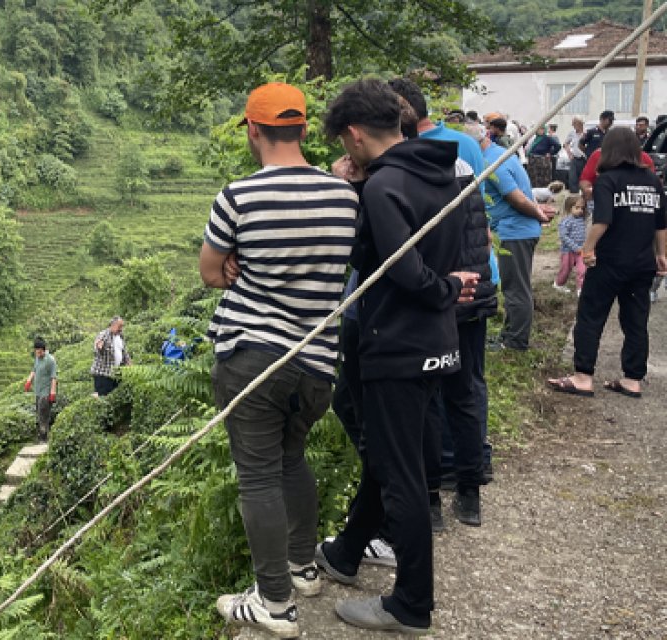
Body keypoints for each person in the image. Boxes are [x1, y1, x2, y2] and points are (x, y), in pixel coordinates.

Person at [313, 79, 479, 636]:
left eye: (344, 141)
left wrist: (440, 285)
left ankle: (410, 603)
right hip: (435, 342)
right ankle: (345, 553)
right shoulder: (441, 171)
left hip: (396, 345)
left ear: (356, 135)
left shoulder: (386, 187)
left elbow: (401, 271)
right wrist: (448, 286)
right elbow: (406, 252)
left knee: (400, 476)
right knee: (392, 458)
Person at [203, 82, 358, 640]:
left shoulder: (238, 196)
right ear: (301, 129)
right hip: (317, 363)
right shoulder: (344, 197)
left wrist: (241, 266)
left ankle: (274, 602)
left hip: (254, 361)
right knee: (293, 460)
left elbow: (210, 270)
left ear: (253, 130)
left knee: (259, 477)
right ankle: (302, 568)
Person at [386, 80, 496, 523]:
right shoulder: (459, 160)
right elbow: (477, 230)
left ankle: (430, 497)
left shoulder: (405, 175)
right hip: (471, 290)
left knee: (428, 400)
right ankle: (469, 493)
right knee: (463, 394)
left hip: (437, 297)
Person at [548, 128, 667, 398]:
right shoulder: (652, 180)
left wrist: (587, 249)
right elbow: (661, 225)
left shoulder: (607, 180)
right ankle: (632, 379)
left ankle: (582, 377)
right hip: (642, 263)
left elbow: (602, 220)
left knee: (591, 316)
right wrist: (662, 254)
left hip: (609, 262)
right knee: (636, 321)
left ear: (608, 150)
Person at [480, 121, 554, 351]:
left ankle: (515, 342)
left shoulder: (494, 162)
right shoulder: (499, 154)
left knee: (516, 288)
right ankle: (508, 335)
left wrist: (539, 214)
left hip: (515, 232)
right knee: (515, 285)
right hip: (516, 230)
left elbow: (517, 198)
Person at [554, 193, 588, 296]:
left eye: (582, 208)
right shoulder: (565, 221)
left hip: (581, 251)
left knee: (583, 270)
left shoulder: (583, 219)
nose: (580, 210)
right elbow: (564, 237)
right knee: (565, 270)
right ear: (569, 207)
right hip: (568, 251)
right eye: (577, 208)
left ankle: (581, 289)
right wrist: (575, 247)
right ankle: (559, 284)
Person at [24, 337, 57, 441]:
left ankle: (43, 437)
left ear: (43, 350)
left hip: (46, 392)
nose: (37, 354)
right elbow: (34, 370)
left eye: (39, 352)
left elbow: (53, 377)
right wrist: (29, 381)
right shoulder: (37, 358)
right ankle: (42, 435)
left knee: (43, 414)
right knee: (39, 413)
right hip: (38, 391)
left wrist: (52, 392)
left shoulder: (50, 360)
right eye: (36, 351)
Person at [90, 316, 131, 396]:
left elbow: (124, 352)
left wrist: (129, 363)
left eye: (122, 326)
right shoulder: (104, 334)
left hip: (115, 373)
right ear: (113, 325)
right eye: (119, 326)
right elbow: (97, 347)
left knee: (114, 396)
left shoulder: (120, 336)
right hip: (103, 374)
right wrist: (99, 347)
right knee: (103, 397)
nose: (121, 329)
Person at [565, 117, 588, 192]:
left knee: (584, 178)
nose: (573, 125)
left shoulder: (586, 133)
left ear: (580, 124)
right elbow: (566, 143)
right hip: (575, 159)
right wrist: (569, 154)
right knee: (572, 178)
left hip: (584, 159)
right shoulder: (572, 133)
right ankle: (574, 196)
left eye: (574, 123)